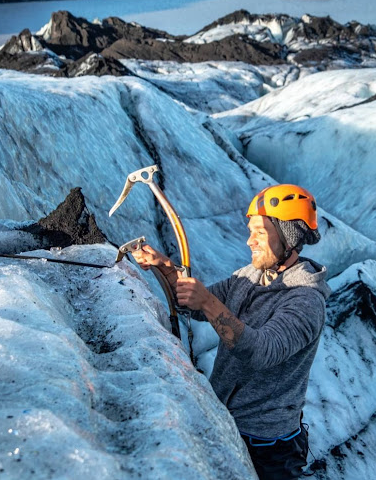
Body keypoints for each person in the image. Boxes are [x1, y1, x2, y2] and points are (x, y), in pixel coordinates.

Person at [132, 184, 330, 480]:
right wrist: (166, 268)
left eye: (260, 233)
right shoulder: (248, 277)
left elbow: (262, 352)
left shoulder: (305, 300)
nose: (249, 241)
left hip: (268, 450)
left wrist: (208, 302)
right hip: (227, 424)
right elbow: (196, 306)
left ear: (289, 236)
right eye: (250, 231)